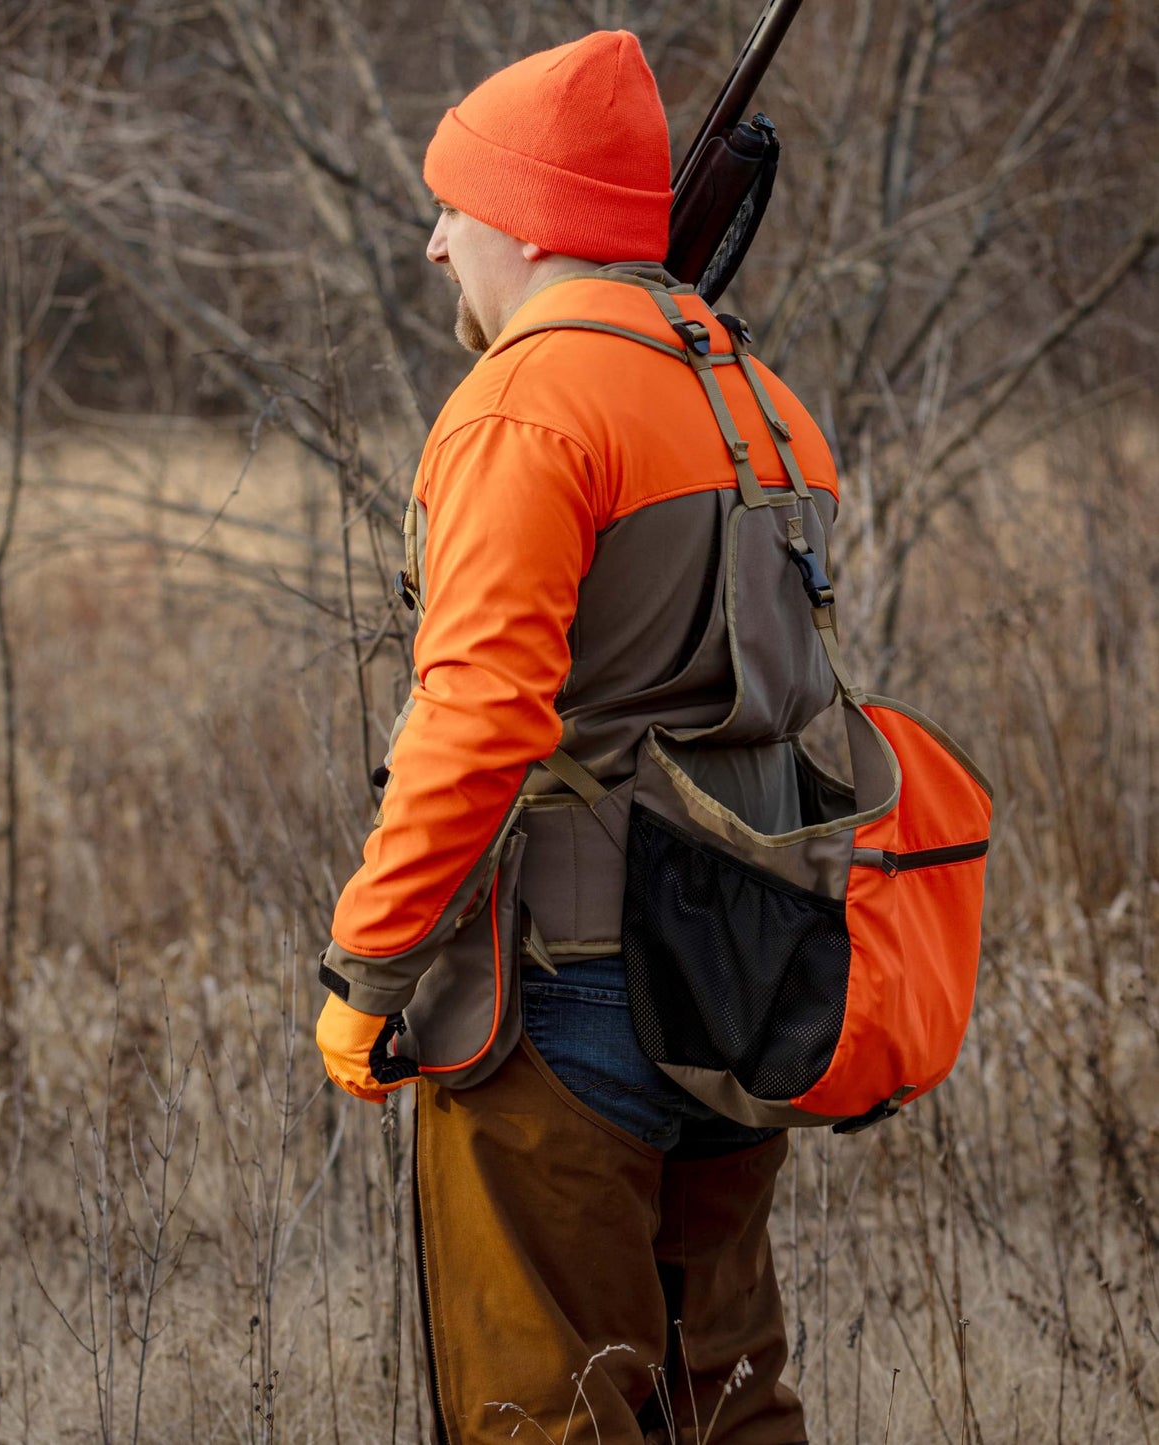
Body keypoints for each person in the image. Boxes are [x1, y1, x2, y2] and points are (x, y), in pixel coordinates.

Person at [315, 29, 833, 1445]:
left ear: (531, 223)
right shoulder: (753, 396)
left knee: (545, 1411)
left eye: (455, 208)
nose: (434, 247)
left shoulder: (526, 402)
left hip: (569, 1001)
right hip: (746, 975)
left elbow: (480, 712)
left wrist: (368, 970)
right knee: (724, 1399)